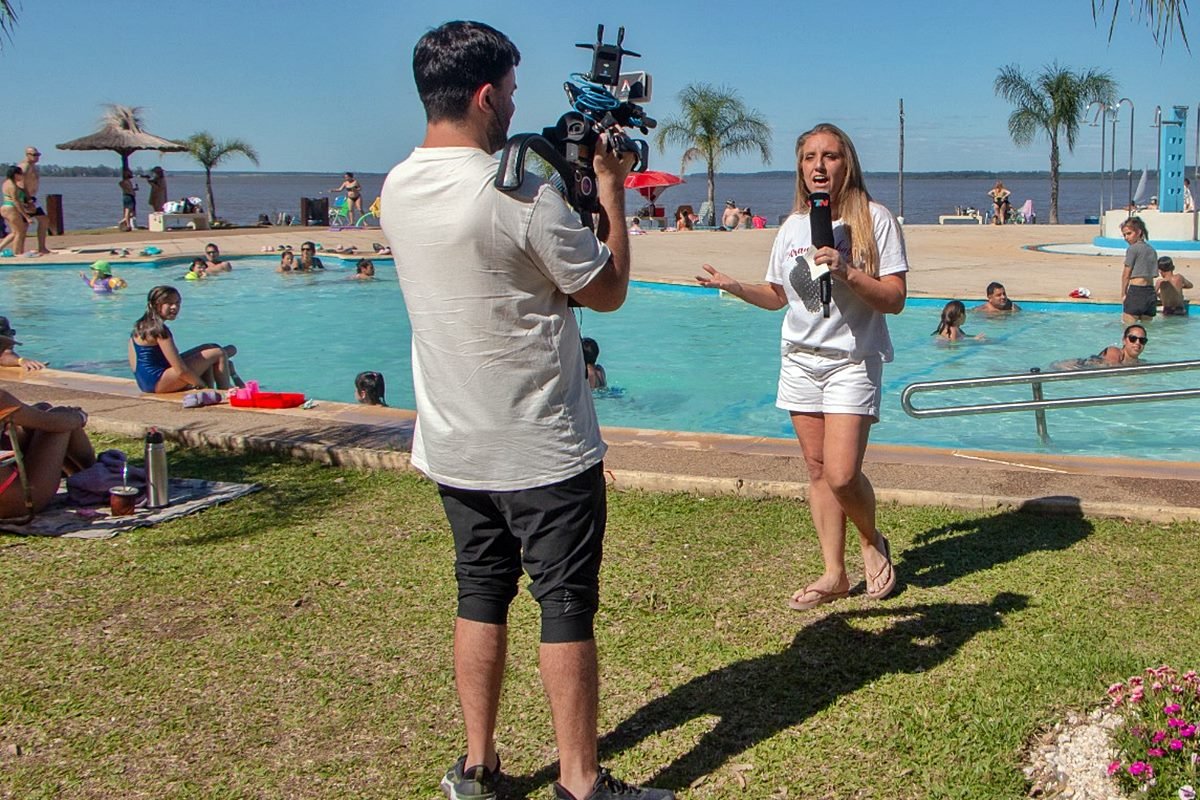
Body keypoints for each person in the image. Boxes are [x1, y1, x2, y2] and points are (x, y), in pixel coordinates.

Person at [379, 21, 670, 800]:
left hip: (453, 443)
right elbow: (604, 292)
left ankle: (477, 766)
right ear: (483, 96)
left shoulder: (394, 188)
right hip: (543, 446)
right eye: (508, 91)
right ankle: (580, 782)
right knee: (565, 605)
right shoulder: (517, 194)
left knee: (479, 591)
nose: (514, 105)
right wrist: (608, 193)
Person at [696, 122, 905, 613]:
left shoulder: (875, 220)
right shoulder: (792, 227)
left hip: (852, 361)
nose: (818, 165)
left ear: (846, 163)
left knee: (841, 474)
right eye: (810, 156)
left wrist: (848, 271)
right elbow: (777, 296)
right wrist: (734, 286)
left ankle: (871, 540)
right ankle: (834, 573)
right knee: (815, 469)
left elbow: (894, 298)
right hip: (799, 361)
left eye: (829, 156)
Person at [128, 285, 242, 393]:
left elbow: (135, 365)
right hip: (158, 382)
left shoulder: (141, 325)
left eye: (177, 303)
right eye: (169, 303)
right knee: (218, 353)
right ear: (155, 305)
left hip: (147, 382)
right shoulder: (160, 330)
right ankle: (225, 393)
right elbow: (181, 370)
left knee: (212, 347)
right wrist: (202, 386)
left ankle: (221, 378)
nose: (175, 307)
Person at [1, 388, 96, 518]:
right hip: (18, 502)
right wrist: (79, 416)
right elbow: (53, 423)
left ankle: (89, 475)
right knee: (61, 416)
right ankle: (95, 475)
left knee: (41, 409)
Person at [1120, 216, 1157, 324]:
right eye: (1124, 235)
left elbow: (1126, 274)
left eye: (1129, 233)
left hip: (1136, 291)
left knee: (1128, 329)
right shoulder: (1151, 250)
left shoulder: (1132, 249)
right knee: (1146, 331)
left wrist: (1123, 294)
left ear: (1139, 232)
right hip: (1150, 292)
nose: (1126, 237)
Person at [18, 147, 50, 255]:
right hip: (26, 199)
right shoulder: (24, 166)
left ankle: (42, 247)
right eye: (34, 155)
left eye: (38, 154)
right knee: (23, 227)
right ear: (27, 154)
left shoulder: (33, 167)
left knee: (44, 220)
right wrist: (28, 200)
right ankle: (19, 251)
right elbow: (20, 184)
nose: (36, 157)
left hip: (31, 198)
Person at [0, 166, 34, 256]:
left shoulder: (6, 183)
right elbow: (16, 201)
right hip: (11, 208)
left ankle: (1, 247)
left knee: (14, 232)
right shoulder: (12, 186)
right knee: (19, 231)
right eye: (20, 174)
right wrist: (26, 217)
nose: (22, 176)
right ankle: (17, 252)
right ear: (15, 175)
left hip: (5, 207)